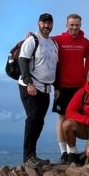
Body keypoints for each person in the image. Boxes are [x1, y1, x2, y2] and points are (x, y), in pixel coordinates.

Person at [18, 13, 58, 168]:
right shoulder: (32, 40)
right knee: (33, 120)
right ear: (38, 24)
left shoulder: (53, 43)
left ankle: (32, 155)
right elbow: (22, 60)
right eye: (44, 22)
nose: (46, 25)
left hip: (45, 89)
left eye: (49, 23)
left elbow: (55, 66)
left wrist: (57, 87)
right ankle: (28, 157)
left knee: (39, 122)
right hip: (31, 87)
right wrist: (29, 83)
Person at [52, 14, 89, 163]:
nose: (74, 27)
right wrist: (30, 36)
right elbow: (42, 41)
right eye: (72, 25)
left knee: (74, 118)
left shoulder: (85, 43)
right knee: (62, 117)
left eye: (77, 25)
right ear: (67, 25)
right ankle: (64, 153)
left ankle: (72, 152)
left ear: (81, 25)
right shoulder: (58, 40)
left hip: (80, 87)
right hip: (62, 86)